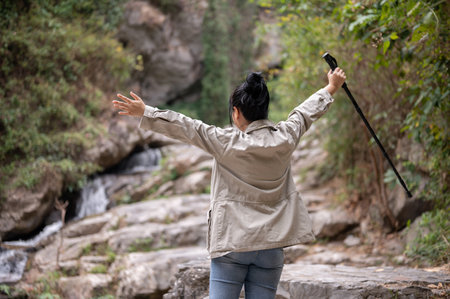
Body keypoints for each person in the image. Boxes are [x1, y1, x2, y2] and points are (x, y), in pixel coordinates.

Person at [112, 67, 346, 299]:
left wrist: (146, 112)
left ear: (236, 112)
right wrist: (331, 87)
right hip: (271, 246)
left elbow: (188, 127)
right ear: (264, 109)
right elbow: (304, 113)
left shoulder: (226, 142)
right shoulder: (285, 137)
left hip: (233, 245)